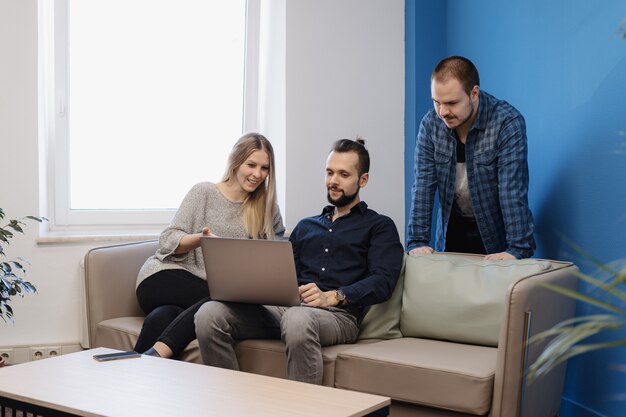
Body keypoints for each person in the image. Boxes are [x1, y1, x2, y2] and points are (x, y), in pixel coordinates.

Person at [194, 138, 404, 384]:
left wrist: (333, 296)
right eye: (329, 172)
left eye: (344, 174)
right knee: (209, 314)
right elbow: (281, 272)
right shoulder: (306, 226)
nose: (333, 181)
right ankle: (229, 402)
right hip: (286, 308)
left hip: (337, 316)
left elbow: (383, 281)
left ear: (363, 180)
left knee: (297, 319)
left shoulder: (379, 226)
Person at [134, 133, 285, 358]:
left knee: (163, 317)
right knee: (227, 298)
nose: (257, 174)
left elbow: (277, 260)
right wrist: (202, 240)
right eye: (251, 165)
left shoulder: (267, 210)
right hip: (164, 277)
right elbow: (167, 240)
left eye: (265, 168)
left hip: (204, 295)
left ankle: (132, 370)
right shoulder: (204, 192)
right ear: (236, 161)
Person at [406, 56, 535, 260]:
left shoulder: (506, 123)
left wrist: (517, 250)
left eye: (452, 103)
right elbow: (423, 186)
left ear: (474, 93)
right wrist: (417, 242)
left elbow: (512, 190)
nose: (443, 112)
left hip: (494, 241)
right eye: (436, 102)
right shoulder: (431, 125)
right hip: (450, 239)